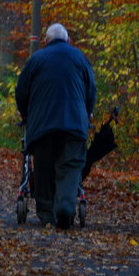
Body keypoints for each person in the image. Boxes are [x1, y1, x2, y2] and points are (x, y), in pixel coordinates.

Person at [15, 22, 97, 228]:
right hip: (74, 124)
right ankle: (66, 209)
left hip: (42, 125)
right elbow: (91, 91)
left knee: (43, 169)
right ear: (68, 40)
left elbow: (21, 91)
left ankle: (47, 216)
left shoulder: (36, 60)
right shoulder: (80, 58)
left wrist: (25, 114)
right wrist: (86, 114)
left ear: (45, 42)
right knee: (69, 168)